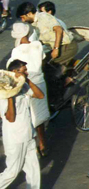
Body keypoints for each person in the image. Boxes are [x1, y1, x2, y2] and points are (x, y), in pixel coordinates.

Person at [0, 60, 44, 189]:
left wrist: (27, 81)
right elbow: (10, 118)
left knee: (33, 170)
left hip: (28, 135)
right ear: (15, 72)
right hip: (15, 138)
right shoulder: (3, 94)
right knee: (12, 172)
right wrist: (10, 96)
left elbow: (40, 95)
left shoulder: (23, 87)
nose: (26, 72)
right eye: (24, 70)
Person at [9, 23, 50, 156]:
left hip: (25, 82)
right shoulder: (37, 45)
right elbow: (43, 60)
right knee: (39, 115)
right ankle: (43, 143)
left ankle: (31, 144)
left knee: (27, 113)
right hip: (39, 80)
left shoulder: (16, 51)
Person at [16, 2, 79, 68]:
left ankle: (68, 75)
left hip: (67, 46)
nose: (23, 20)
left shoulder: (43, 17)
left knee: (49, 67)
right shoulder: (36, 23)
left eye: (23, 17)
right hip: (58, 47)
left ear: (29, 14)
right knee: (42, 62)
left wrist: (56, 49)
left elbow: (58, 29)